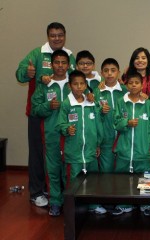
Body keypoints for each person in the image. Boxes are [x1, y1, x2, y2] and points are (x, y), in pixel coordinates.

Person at [16, 22, 75, 207]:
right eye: (53, 35)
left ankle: (60, 192)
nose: (56, 38)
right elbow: (19, 74)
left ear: (65, 35)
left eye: (60, 35)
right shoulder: (36, 54)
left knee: (64, 153)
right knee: (37, 153)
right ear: (48, 36)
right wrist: (28, 72)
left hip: (64, 114)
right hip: (39, 112)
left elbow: (80, 78)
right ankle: (37, 192)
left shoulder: (70, 55)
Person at [56, 70, 105, 214]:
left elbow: (98, 124)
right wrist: (66, 128)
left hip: (90, 151)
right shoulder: (66, 104)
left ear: (86, 85)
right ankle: (73, 207)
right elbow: (60, 124)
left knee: (93, 179)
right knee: (73, 181)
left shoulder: (91, 102)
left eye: (82, 83)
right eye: (75, 84)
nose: (79, 87)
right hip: (74, 153)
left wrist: (98, 144)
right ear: (70, 86)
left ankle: (93, 204)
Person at [31, 50, 71, 216]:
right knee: (53, 170)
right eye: (57, 62)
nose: (60, 66)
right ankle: (55, 202)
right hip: (52, 135)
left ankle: (70, 203)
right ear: (51, 64)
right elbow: (34, 109)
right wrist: (48, 106)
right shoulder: (44, 85)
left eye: (63, 62)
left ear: (68, 65)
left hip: (71, 135)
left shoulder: (75, 83)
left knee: (69, 172)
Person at [112, 73, 150, 215]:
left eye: (137, 82)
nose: (134, 85)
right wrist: (127, 123)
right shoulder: (120, 102)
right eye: (131, 82)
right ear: (126, 85)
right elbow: (115, 122)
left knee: (144, 178)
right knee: (122, 179)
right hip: (124, 150)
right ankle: (125, 203)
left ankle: (145, 204)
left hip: (142, 151)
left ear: (142, 85)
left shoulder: (148, 104)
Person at [93, 58, 127, 172]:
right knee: (106, 175)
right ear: (101, 73)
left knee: (123, 176)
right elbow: (92, 115)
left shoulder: (125, 91)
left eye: (113, 70)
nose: (109, 73)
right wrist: (100, 111)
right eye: (106, 70)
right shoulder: (97, 92)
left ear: (118, 72)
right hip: (105, 141)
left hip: (124, 139)